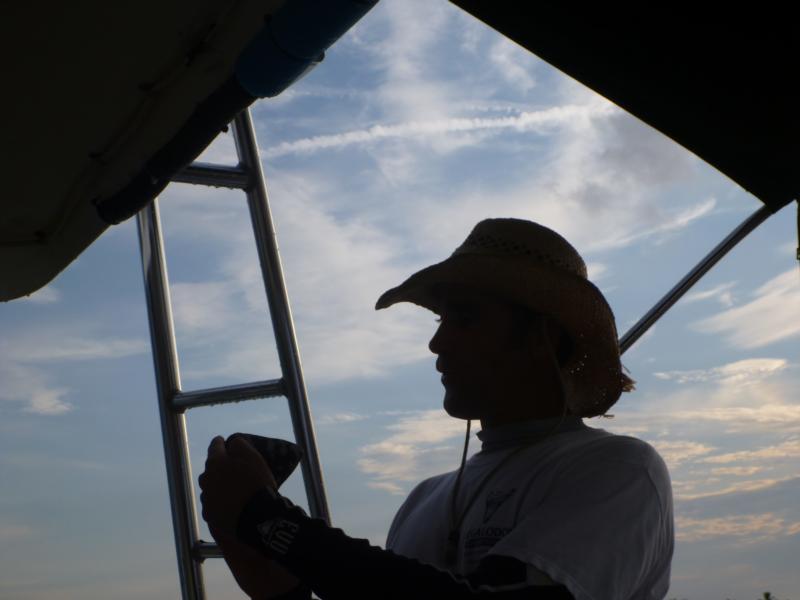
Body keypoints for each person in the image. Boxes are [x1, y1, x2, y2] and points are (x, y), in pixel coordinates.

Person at [199, 218, 675, 600]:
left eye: (464, 318)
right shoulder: (424, 497)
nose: (437, 341)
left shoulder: (619, 468)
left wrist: (269, 520)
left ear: (540, 337)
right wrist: (274, 580)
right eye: (441, 319)